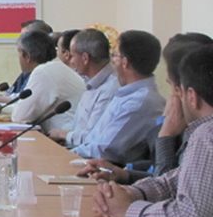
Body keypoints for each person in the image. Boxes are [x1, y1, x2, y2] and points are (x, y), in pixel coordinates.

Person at [92, 45, 213, 217]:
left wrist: (128, 210)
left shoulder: (206, 134)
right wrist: (132, 192)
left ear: (191, 96)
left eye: (177, 91)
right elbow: (176, 180)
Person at [80, 32, 213, 183]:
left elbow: (171, 188)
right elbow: (168, 180)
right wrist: (124, 174)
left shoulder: (202, 136)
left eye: (172, 86)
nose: (172, 97)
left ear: (188, 92)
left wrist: (166, 136)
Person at [72, 30, 165, 165]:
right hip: (87, 158)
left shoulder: (139, 102)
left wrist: (65, 154)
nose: (112, 61)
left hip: (101, 168)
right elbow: (94, 139)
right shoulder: (128, 93)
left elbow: (104, 150)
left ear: (125, 62)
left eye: (114, 55)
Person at [49, 28, 119, 147]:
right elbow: (79, 126)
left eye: (72, 56)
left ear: (85, 58)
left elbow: (93, 138)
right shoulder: (90, 81)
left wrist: (62, 134)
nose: (70, 61)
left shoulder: (110, 88)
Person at [6, 30, 85, 134]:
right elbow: (27, 106)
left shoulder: (44, 72)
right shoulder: (54, 68)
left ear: (27, 56)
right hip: (68, 135)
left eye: (19, 54)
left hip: (65, 139)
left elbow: (20, 117)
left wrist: (1, 109)